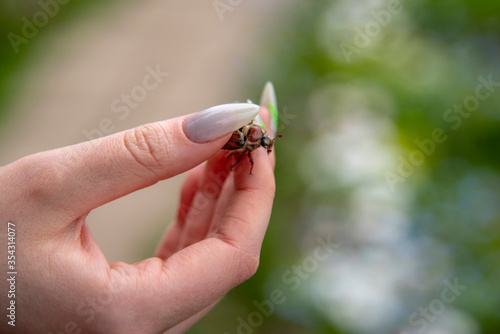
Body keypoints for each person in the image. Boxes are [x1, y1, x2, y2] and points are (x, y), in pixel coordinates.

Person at [0, 83, 278, 333]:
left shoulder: (247, 142)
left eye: (264, 142)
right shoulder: (246, 140)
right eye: (264, 140)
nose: (263, 142)